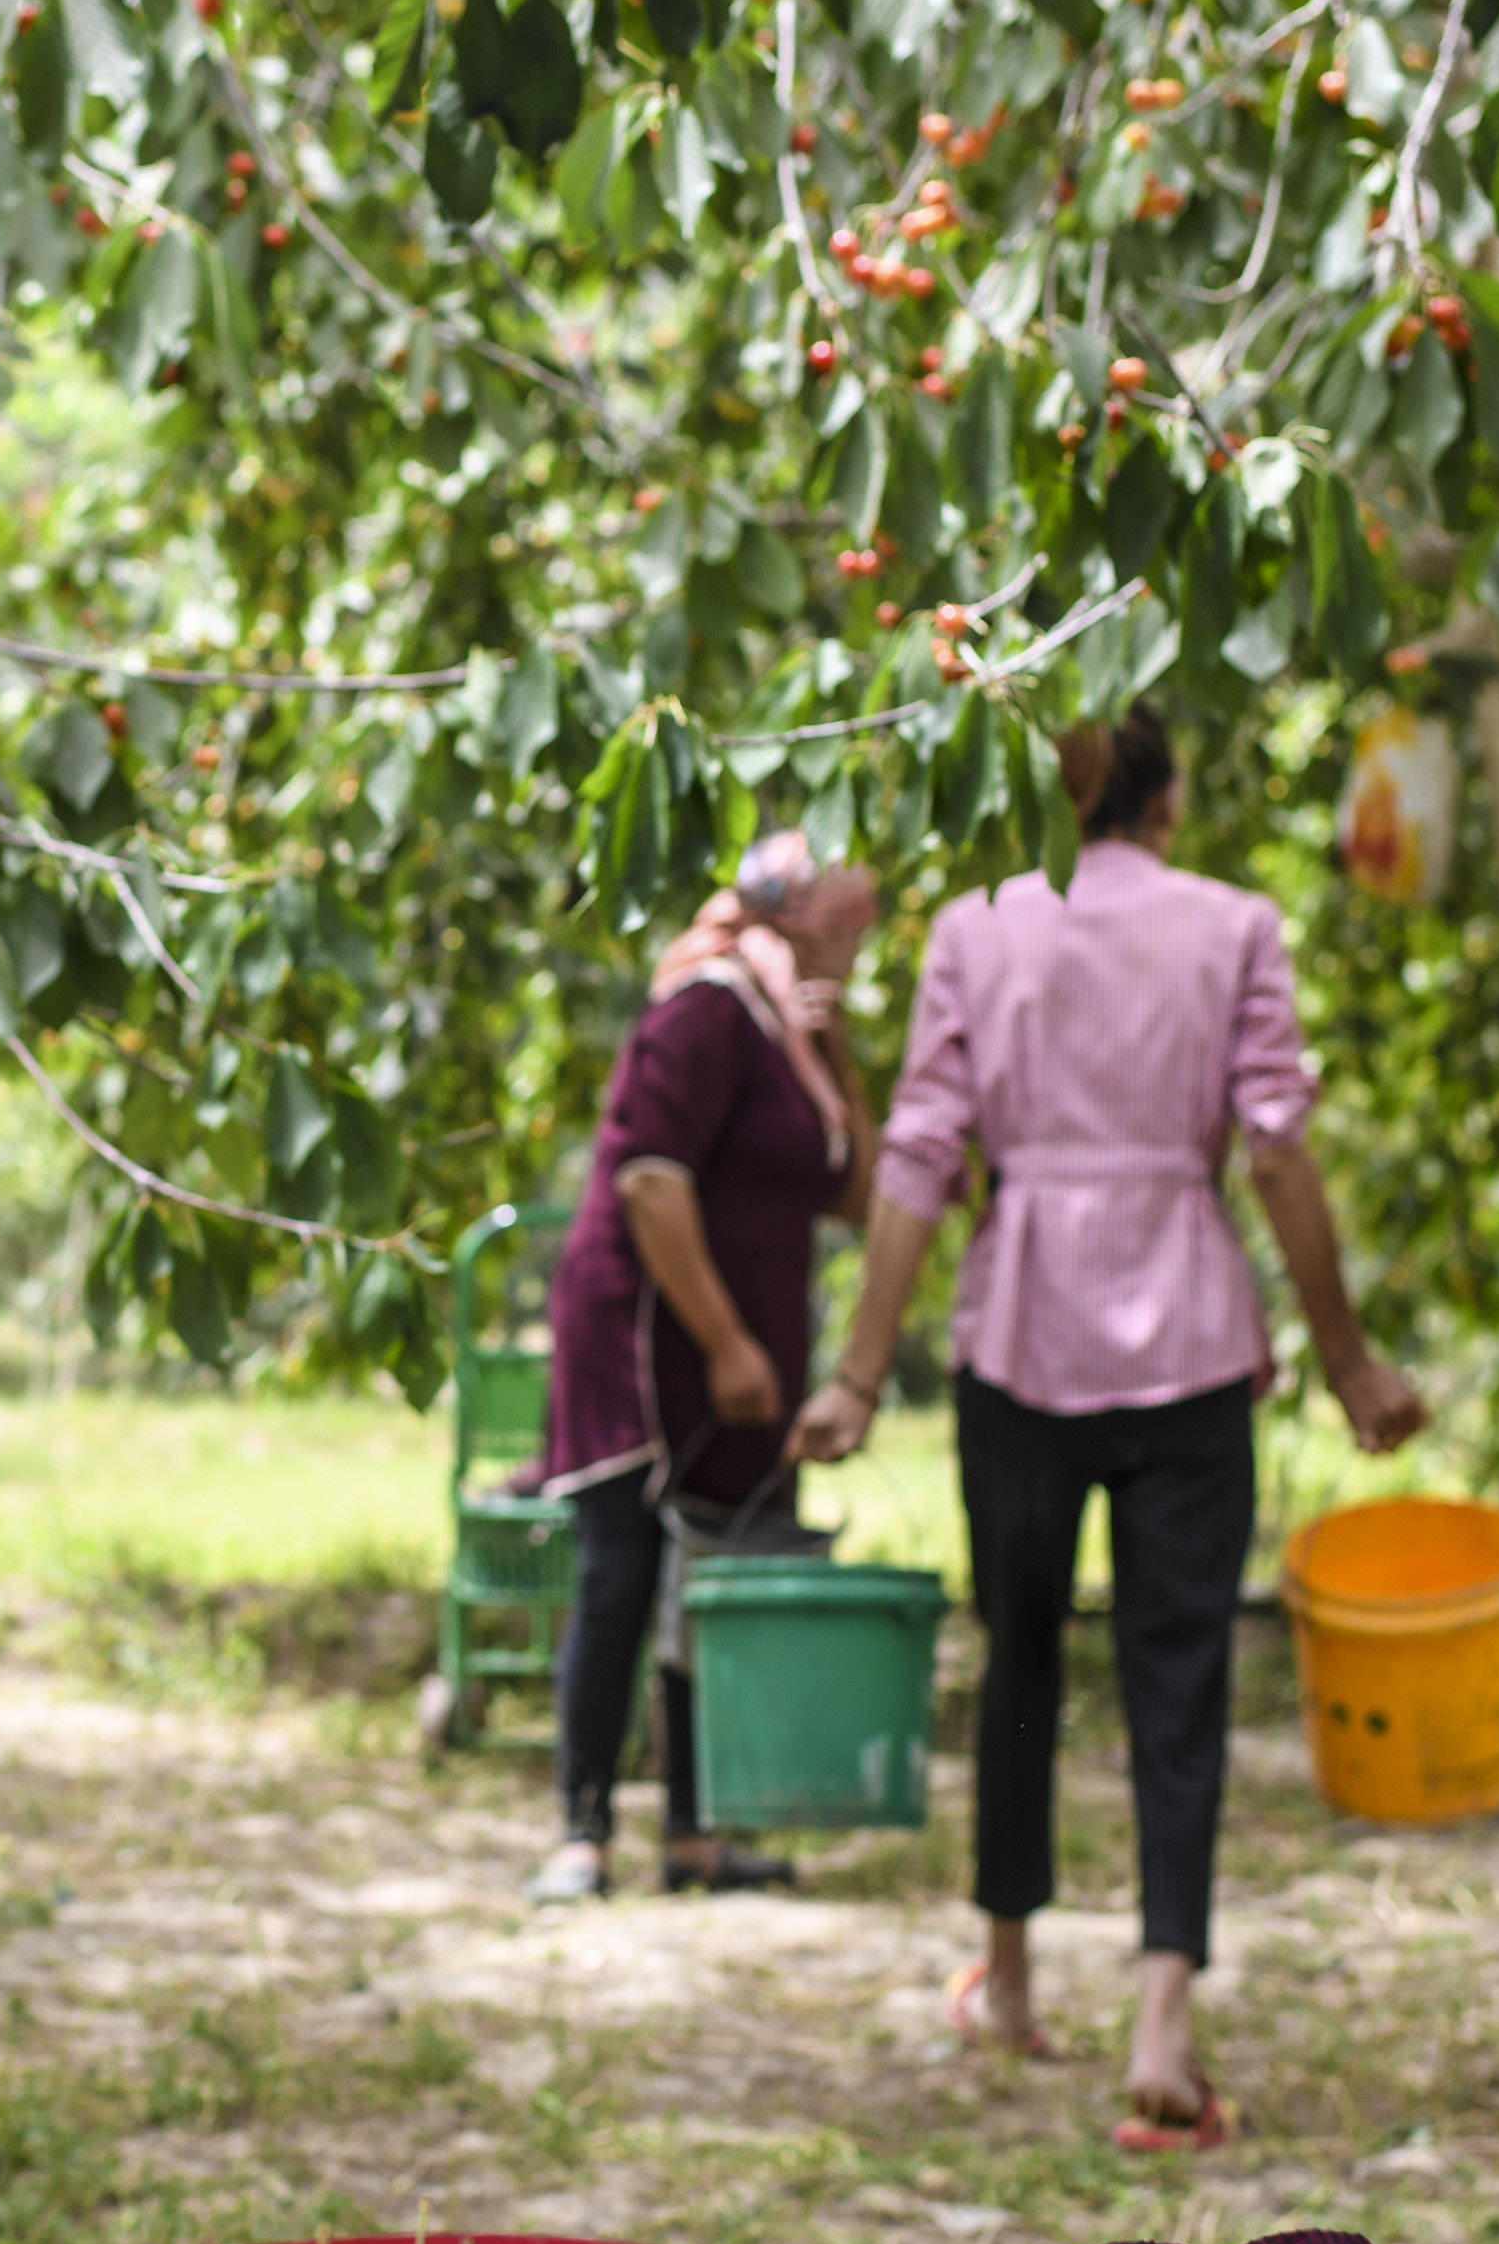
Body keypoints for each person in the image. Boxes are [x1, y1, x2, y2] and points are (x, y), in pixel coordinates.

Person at [791, 710, 1426, 2147]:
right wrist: (1347, 1359)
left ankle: (1009, 1981)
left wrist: (854, 1372)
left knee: (1021, 1655)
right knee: (1178, 1674)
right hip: (1193, 1344)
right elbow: (1275, 1147)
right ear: (1173, 795)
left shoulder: (975, 926)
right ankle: (1162, 2015)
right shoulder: (1236, 925)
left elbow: (918, 1155)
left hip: (1020, 1337)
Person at [525, 831, 882, 1902]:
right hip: (647, 1344)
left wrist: (845, 1057)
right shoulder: (708, 1007)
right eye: (852, 925)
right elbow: (648, 1180)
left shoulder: (792, 1037)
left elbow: (860, 1196)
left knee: (714, 1583)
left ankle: (696, 1833)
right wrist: (725, 1340)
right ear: (801, 922)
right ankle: (583, 1833)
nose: (862, 945)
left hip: (737, 1361)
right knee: (623, 1571)